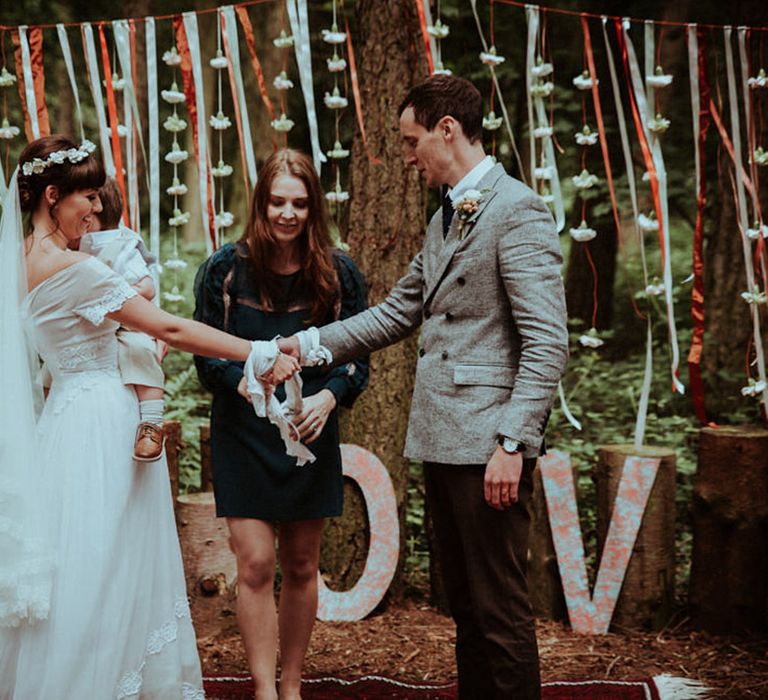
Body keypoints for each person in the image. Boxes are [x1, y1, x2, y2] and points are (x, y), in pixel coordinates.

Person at [280, 75, 569, 699]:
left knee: (500, 608)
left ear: (447, 130)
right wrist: (302, 347)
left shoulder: (517, 210)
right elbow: (395, 313)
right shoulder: (447, 216)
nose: (407, 156)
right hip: (443, 437)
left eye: (412, 141)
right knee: (465, 605)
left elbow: (547, 343)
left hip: (490, 446)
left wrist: (513, 444)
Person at [0, 135, 299, 699]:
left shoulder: (17, 265)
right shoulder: (75, 271)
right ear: (50, 195)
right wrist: (257, 352)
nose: (96, 208)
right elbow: (170, 328)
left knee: (77, 564)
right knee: (112, 565)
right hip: (104, 426)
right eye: (87, 196)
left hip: (62, 425)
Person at [193, 148, 368, 700]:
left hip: (308, 433)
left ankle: (291, 686)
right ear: (261, 204)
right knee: (256, 563)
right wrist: (239, 381)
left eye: (298, 203)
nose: (287, 214)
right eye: (277, 202)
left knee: (300, 562)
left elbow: (358, 356)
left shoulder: (339, 273)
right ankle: (264, 690)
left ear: (313, 208)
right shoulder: (224, 269)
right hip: (243, 433)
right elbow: (205, 355)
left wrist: (331, 398)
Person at [46, 176, 168, 461]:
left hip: (127, 322)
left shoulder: (122, 244)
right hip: (90, 328)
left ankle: (151, 423)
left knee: (141, 351)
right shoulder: (73, 246)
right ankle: (49, 409)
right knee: (51, 368)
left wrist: (117, 297)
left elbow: (147, 286)